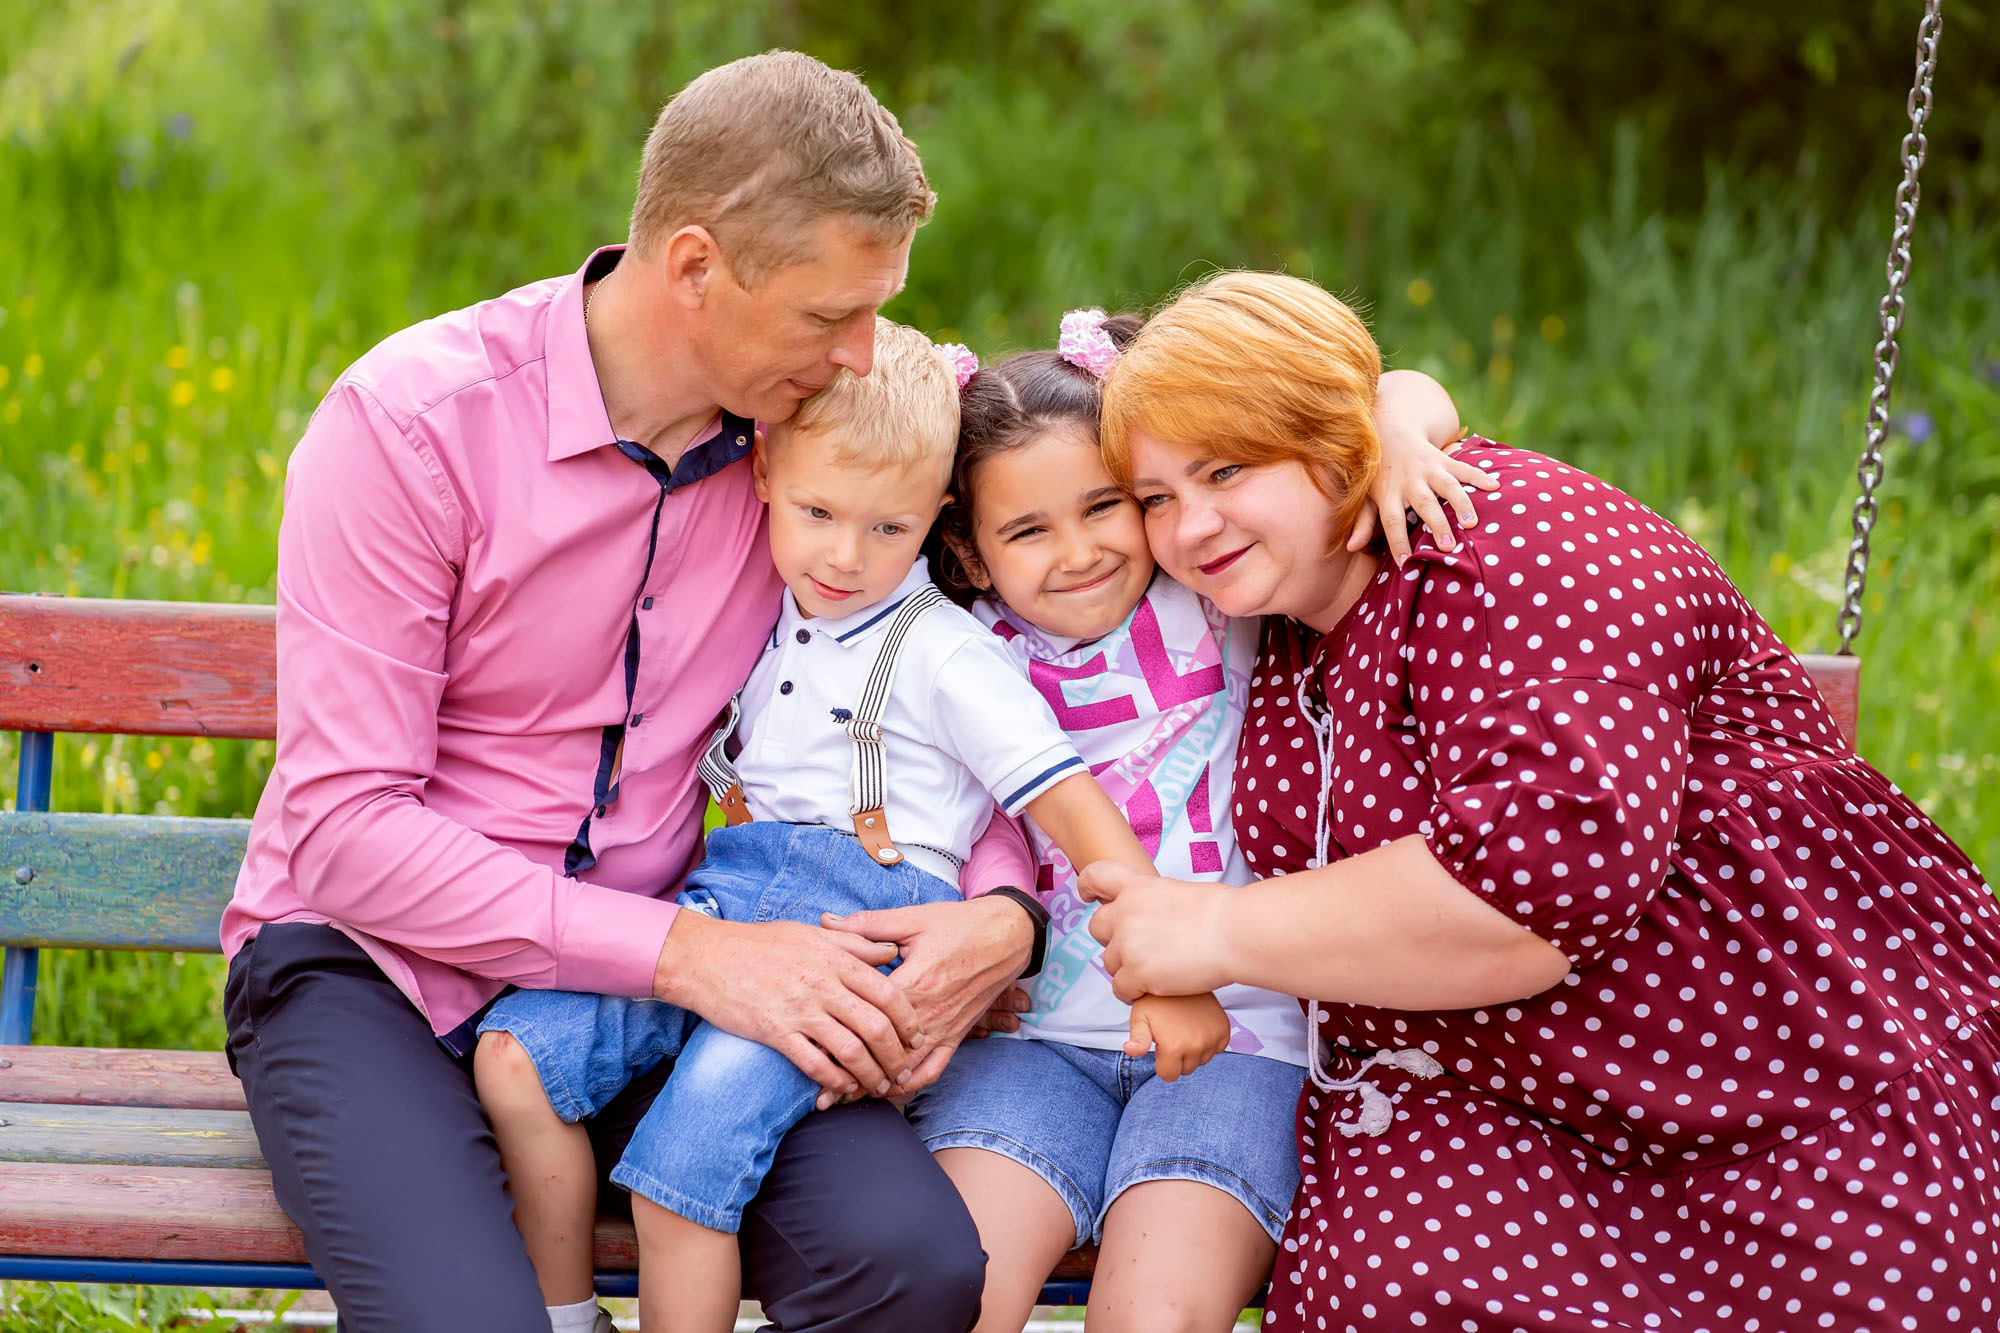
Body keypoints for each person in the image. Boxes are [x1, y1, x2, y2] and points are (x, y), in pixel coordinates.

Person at [220, 53, 1052, 1333]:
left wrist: (1004, 912)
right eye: (829, 314)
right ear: (696, 266)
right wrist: (689, 957)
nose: (862, 351)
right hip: (375, 971)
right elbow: (341, 834)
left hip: (671, 961)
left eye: (878, 311)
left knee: (910, 1263)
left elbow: (978, 638)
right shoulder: (412, 426)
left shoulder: (815, 448)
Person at [1080, 269, 2000, 1332]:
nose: (1189, 527)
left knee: (1849, 1290)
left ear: (1336, 440)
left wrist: (1211, 930)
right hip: (1492, 1090)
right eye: (1156, 497)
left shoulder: (1503, 542)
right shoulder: (1278, 614)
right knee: (1384, 1290)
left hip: (1762, 1060)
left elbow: (1523, 902)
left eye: (1225, 470)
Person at [474, 317, 1223, 1333]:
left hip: (862, 928)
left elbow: (1069, 806)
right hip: (723, 905)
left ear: (938, 524)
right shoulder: (758, 600)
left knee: (683, 1163)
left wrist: (1166, 973)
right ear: (766, 473)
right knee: (516, 1055)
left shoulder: (947, 655)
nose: (844, 555)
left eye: (888, 526)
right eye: (821, 512)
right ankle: (564, 1316)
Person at [908, 309, 1489, 1333]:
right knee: (956, 1290)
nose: (1079, 551)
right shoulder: (954, 647)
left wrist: (1394, 430)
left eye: (1106, 507)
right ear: (966, 543)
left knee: (1155, 1310)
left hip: (1237, 1036)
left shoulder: (1207, 594)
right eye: (1027, 529)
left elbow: (1392, 398)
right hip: (1033, 1044)